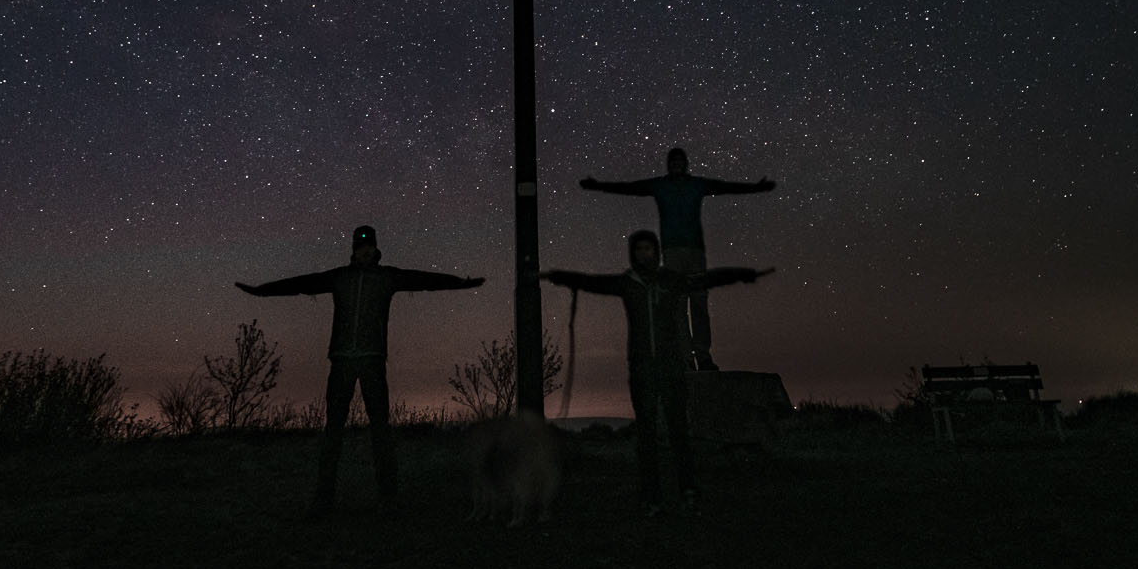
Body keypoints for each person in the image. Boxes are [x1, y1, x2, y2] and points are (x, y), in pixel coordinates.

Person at [237, 224, 484, 516]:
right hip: (342, 360)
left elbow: (424, 280)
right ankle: (323, 500)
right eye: (360, 246)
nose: (365, 251)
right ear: (354, 249)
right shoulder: (339, 277)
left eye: (369, 246)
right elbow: (301, 284)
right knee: (333, 431)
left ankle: (388, 499)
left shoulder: (388, 277)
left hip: (372, 361)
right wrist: (262, 292)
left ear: (375, 249)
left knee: (380, 430)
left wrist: (459, 283)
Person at [543, 230, 771, 514]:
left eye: (649, 249)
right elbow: (593, 282)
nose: (644, 254)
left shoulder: (670, 281)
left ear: (657, 251)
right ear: (633, 253)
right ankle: (652, 498)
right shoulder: (628, 283)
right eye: (639, 249)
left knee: (679, 433)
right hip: (641, 369)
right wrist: (559, 276)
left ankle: (688, 491)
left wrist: (742, 274)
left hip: (671, 366)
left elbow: (706, 278)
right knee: (647, 436)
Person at [579, 147, 776, 369]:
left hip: (695, 252)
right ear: (668, 164)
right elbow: (630, 188)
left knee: (699, 303)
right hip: (672, 252)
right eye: (672, 161)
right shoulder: (660, 185)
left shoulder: (697, 184)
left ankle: (703, 356)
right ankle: (685, 358)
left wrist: (756, 188)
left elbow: (725, 187)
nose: (676, 165)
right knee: (678, 305)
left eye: (679, 161)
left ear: (685, 164)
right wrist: (598, 186)